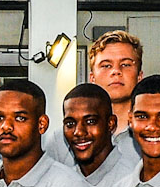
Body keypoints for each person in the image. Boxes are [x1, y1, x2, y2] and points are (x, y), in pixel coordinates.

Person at [48, 30, 142, 168]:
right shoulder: (60, 141)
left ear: (139, 76)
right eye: (106, 65)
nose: (116, 71)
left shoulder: (151, 135)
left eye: (126, 64)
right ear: (92, 78)